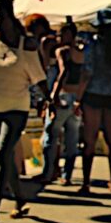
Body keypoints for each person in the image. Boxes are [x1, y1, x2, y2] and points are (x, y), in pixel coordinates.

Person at [0, 0, 49, 223]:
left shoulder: (26, 47)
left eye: (1, 15)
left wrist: (50, 99)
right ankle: (19, 199)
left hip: (17, 108)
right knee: (6, 159)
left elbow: (40, 78)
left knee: (3, 152)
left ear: (10, 17)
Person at [79, 10, 111, 194]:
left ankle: (86, 182)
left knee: (89, 139)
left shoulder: (93, 45)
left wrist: (78, 98)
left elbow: (87, 71)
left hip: (92, 93)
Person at [39, 21, 82, 185]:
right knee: (71, 139)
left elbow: (63, 71)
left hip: (62, 96)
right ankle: (67, 175)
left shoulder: (62, 51)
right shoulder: (79, 52)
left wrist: (53, 96)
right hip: (75, 96)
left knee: (51, 136)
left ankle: (48, 172)